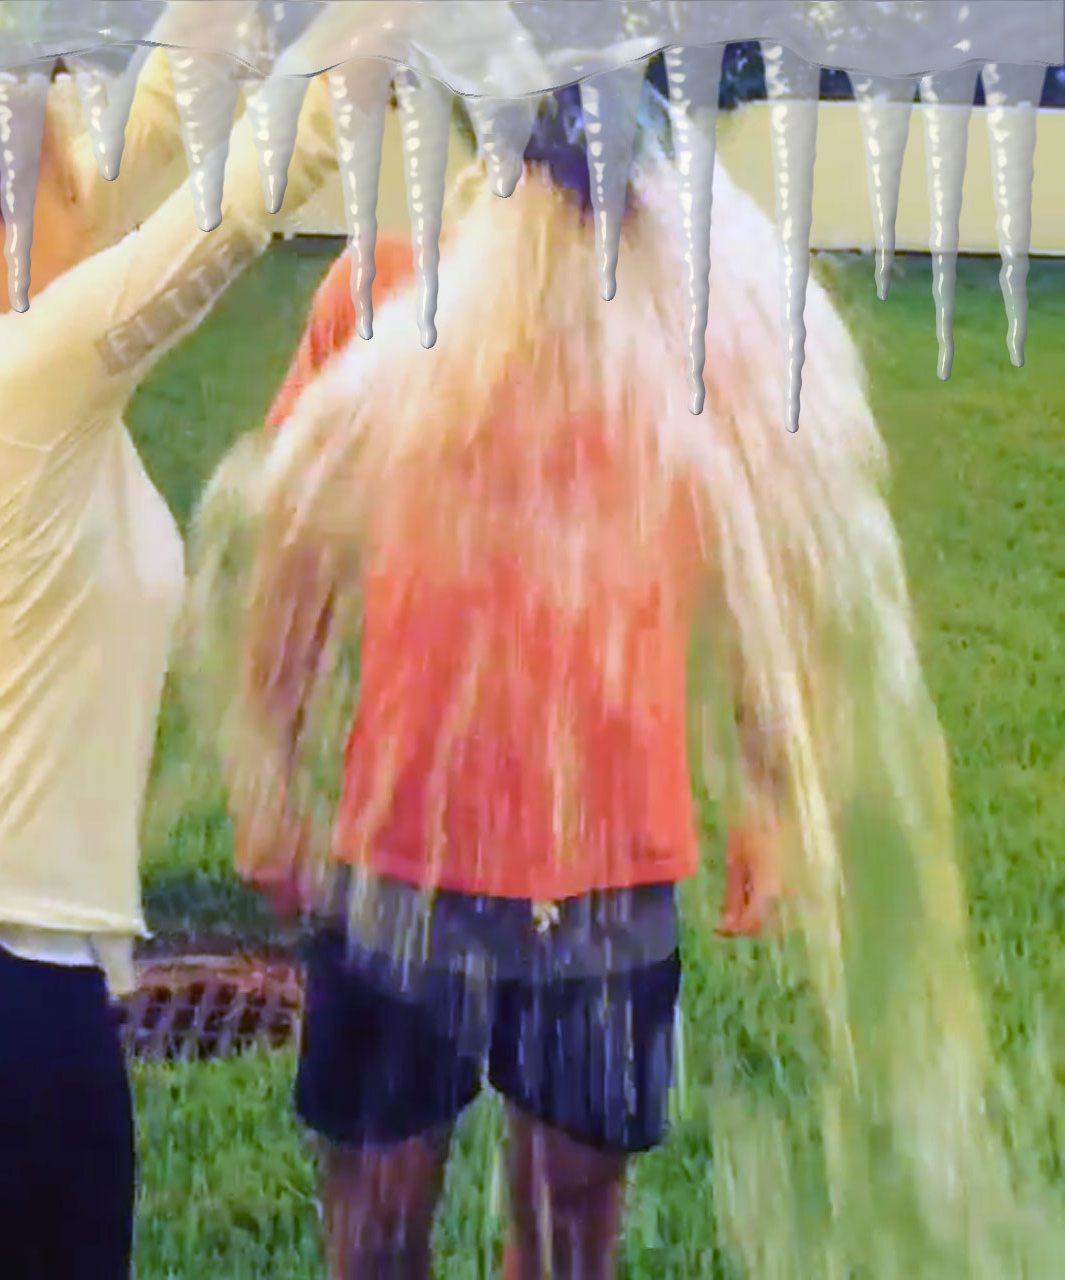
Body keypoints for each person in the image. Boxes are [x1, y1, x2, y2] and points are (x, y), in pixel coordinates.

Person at [185, 87, 794, 1280]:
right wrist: (266, 769)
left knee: (570, 1251)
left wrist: (763, 782)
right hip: (397, 861)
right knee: (374, 1242)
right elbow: (295, 546)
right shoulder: (386, 283)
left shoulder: (696, 317)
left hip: (612, 873)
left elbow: (769, 553)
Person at [0, 46, 338, 1279]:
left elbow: (155, 120)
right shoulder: (20, 380)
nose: (95, 187)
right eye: (69, 181)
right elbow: (241, 190)